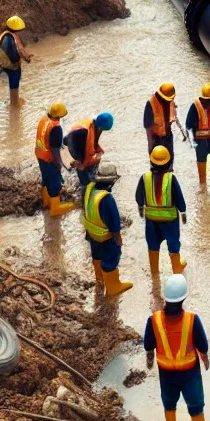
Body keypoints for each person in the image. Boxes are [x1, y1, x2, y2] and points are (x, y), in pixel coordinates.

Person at [144, 273, 210, 421]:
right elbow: (203, 346)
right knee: (195, 404)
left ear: (165, 298)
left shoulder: (154, 320)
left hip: (166, 373)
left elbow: (148, 345)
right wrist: (205, 359)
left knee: (169, 404)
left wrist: (150, 360)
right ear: (184, 297)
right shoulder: (192, 319)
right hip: (189, 373)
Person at [81, 162, 133, 297]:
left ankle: (100, 281)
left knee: (97, 256)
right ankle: (113, 287)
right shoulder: (107, 198)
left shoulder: (89, 190)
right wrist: (118, 237)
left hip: (92, 233)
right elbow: (114, 221)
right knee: (111, 258)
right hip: (105, 235)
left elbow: (85, 209)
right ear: (112, 181)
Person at [136, 145, 188, 275]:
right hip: (170, 220)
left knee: (153, 245)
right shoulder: (171, 178)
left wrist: (141, 208)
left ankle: (154, 272)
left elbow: (138, 196)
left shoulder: (145, 178)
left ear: (151, 161)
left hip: (151, 220)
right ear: (169, 162)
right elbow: (179, 197)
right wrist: (183, 212)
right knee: (173, 243)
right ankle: (176, 268)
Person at [34, 102, 74, 216]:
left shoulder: (44, 120)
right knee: (55, 182)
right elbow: (55, 149)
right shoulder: (56, 128)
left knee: (46, 178)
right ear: (60, 116)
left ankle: (46, 202)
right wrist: (59, 163)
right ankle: (55, 208)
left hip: (40, 154)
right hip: (49, 158)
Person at [65, 112, 114, 188]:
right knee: (82, 169)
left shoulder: (96, 124)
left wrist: (98, 151)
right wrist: (79, 161)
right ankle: (84, 188)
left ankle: (90, 178)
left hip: (80, 143)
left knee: (93, 162)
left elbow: (93, 140)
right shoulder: (83, 131)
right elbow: (75, 145)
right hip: (74, 145)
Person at [0, 16, 32, 104]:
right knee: (14, 83)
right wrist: (26, 58)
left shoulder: (5, 35)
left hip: (7, 63)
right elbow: (19, 50)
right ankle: (14, 103)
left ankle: (15, 100)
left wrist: (26, 55)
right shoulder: (11, 37)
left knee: (14, 82)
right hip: (12, 64)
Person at [144, 83, 180, 160]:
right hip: (156, 139)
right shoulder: (150, 104)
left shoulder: (170, 100)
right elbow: (148, 127)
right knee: (157, 165)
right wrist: (151, 146)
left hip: (168, 136)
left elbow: (174, 116)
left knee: (169, 162)